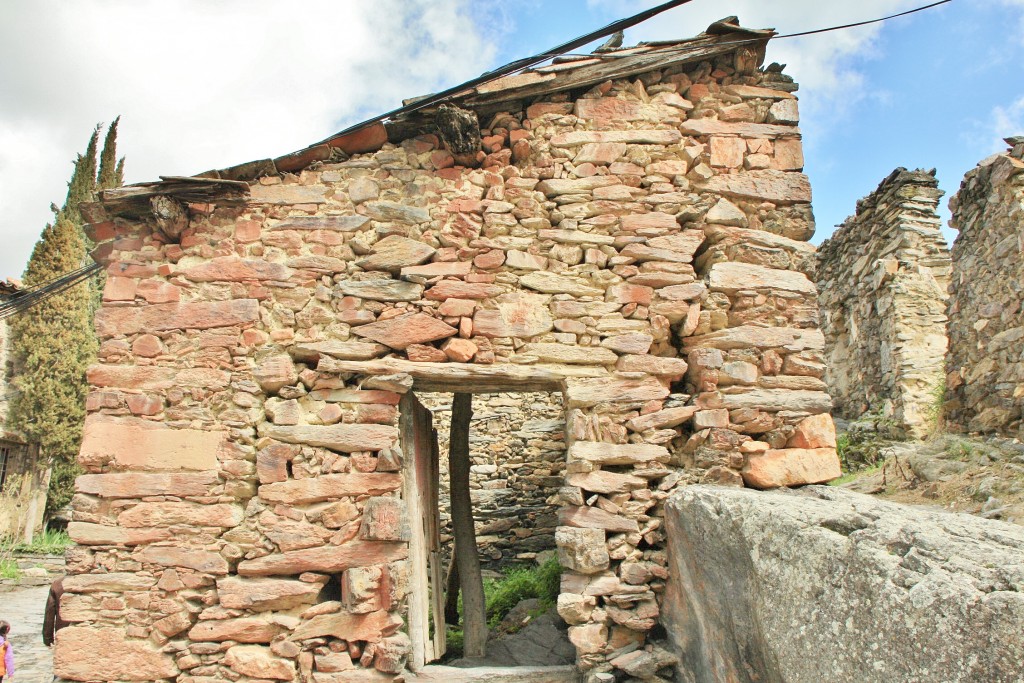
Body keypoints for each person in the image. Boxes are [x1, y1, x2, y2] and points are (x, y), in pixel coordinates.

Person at [42, 576, 66, 647]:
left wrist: (47, 638)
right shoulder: (90, 583)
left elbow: (49, 613)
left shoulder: (57, 584)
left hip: (62, 631)